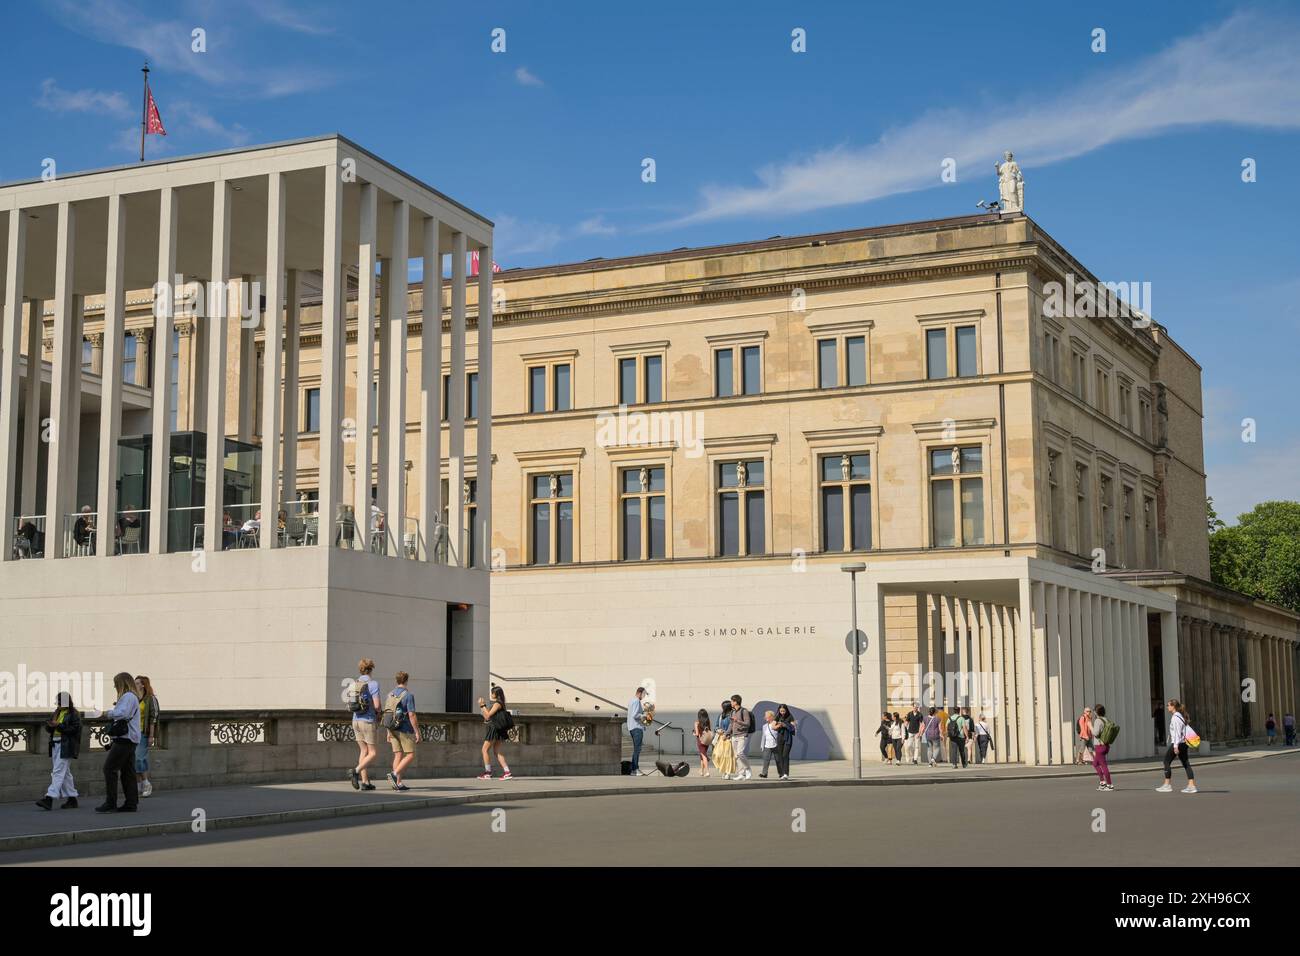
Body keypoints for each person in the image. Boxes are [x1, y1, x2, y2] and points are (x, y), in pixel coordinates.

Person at [96, 672, 141, 813]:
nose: (115, 686)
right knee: (128, 772)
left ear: (122, 683)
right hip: (130, 739)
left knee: (109, 769)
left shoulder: (128, 697)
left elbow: (122, 713)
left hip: (125, 739)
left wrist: (106, 713)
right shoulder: (133, 697)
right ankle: (131, 803)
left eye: (116, 683)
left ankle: (111, 802)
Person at [36, 691, 82, 810]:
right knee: (65, 773)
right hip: (56, 745)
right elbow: (50, 728)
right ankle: (72, 799)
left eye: (59, 701)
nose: (57, 703)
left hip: (66, 745)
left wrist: (58, 725)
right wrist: (50, 725)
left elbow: (74, 729)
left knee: (57, 771)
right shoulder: (57, 712)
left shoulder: (74, 714)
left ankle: (49, 798)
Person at [348, 658, 381, 791]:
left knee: (363, 750)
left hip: (355, 720)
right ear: (371, 669)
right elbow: (377, 705)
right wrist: (378, 712)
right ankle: (355, 771)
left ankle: (365, 782)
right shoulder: (373, 684)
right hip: (367, 720)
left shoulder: (354, 683)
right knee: (372, 753)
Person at [382, 671, 420, 791]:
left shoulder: (390, 694)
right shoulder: (408, 695)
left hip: (392, 727)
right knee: (410, 754)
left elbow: (388, 712)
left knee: (398, 754)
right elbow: (412, 715)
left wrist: (388, 731)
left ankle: (397, 783)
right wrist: (417, 731)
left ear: (397, 681)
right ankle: (394, 774)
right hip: (404, 728)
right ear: (406, 681)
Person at [1157, 698, 1198, 794]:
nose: (1167, 707)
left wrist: (1175, 746)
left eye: (1168, 705)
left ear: (1173, 706)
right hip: (1184, 743)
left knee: (1166, 761)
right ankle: (1191, 785)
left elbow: (1177, 734)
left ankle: (1167, 785)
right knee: (1186, 763)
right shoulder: (1180, 716)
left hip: (1178, 743)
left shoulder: (1175, 718)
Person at [478, 685, 514, 780]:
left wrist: (482, 705)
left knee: (484, 750)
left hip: (495, 728)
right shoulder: (500, 703)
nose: (491, 694)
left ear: (496, 694)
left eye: (492, 692)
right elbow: (487, 716)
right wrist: (483, 707)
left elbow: (488, 715)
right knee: (497, 751)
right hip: (499, 729)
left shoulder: (497, 704)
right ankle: (507, 772)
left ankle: (488, 773)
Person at [135, 675, 160, 798]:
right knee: (133, 759)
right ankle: (139, 784)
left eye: (137, 683)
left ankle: (146, 783)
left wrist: (151, 736)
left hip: (143, 733)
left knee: (140, 758)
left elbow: (153, 718)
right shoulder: (134, 698)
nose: (135, 685)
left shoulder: (150, 699)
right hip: (133, 733)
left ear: (143, 685)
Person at [728, 694, 755, 780]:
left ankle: (748, 769)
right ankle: (741, 774)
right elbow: (731, 724)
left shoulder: (744, 711)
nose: (731, 703)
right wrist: (726, 734)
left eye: (732, 701)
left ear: (736, 702)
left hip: (742, 735)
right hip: (734, 736)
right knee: (736, 756)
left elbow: (747, 724)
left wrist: (738, 721)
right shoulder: (732, 712)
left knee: (740, 753)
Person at [1091, 704, 1113, 791]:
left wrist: (1090, 726)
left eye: (1094, 711)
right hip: (1105, 745)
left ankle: (1109, 785)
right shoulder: (1106, 719)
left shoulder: (1098, 721)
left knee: (1103, 766)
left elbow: (1095, 733)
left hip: (1099, 746)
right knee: (1095, 764)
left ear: (1096, 712)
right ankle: (1102, 783)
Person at [626, 686, 648, 775]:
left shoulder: (631, 700)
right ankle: (635, 769)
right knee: (637, 750)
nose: (644, 696)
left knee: (636, 749)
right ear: (640, 693)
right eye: (644, 694)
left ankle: (633, 770)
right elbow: (635, 715)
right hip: (636, 728)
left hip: (632, 727)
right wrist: (644, 715)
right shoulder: (636, 701)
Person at [713, 701, 736, 779]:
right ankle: (723, 770)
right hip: (720, 738)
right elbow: (716, 726)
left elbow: (733, 726)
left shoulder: (732, 714)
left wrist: (727, 734)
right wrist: (718, 730)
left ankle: (727, 773)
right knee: (718, 755)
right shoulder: (720, 715)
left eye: (722, 706)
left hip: (728, 738)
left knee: (728, 756)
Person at [774, 703, 797, 779]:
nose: (782, 712)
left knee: (785, 755)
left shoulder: (790, 716)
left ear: (786, 710)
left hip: (788, 738)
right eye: (781, 711)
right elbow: (773, 727)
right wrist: (779, 725)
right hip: (780, 737)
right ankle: (782, 773)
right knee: (780, 756)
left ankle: (786, 773)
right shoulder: (777, 716)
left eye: (784, 711)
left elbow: (794, 727)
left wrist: (786, 725)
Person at [758, 710, 781, 778]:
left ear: (771, 717)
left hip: (775, 745)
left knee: (778, 760)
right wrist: (762, 745)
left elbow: (779, 735)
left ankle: (781, 773)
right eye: (765, 716)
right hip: (767, 746)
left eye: (766, 716)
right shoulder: (764, 726)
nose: (765, 717)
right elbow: (763, 736)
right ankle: (764, 773)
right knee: (766, 760)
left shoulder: (776, 724)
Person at [692, 708, 713, 777]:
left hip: (700, 741)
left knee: (703, 756)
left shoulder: (697, 723)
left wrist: (694, 734)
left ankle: (707, 772)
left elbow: (697, 734)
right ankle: (701, 771)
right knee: (702, 756)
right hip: (707, 741)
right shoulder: (708, 722)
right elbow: (709, 730)